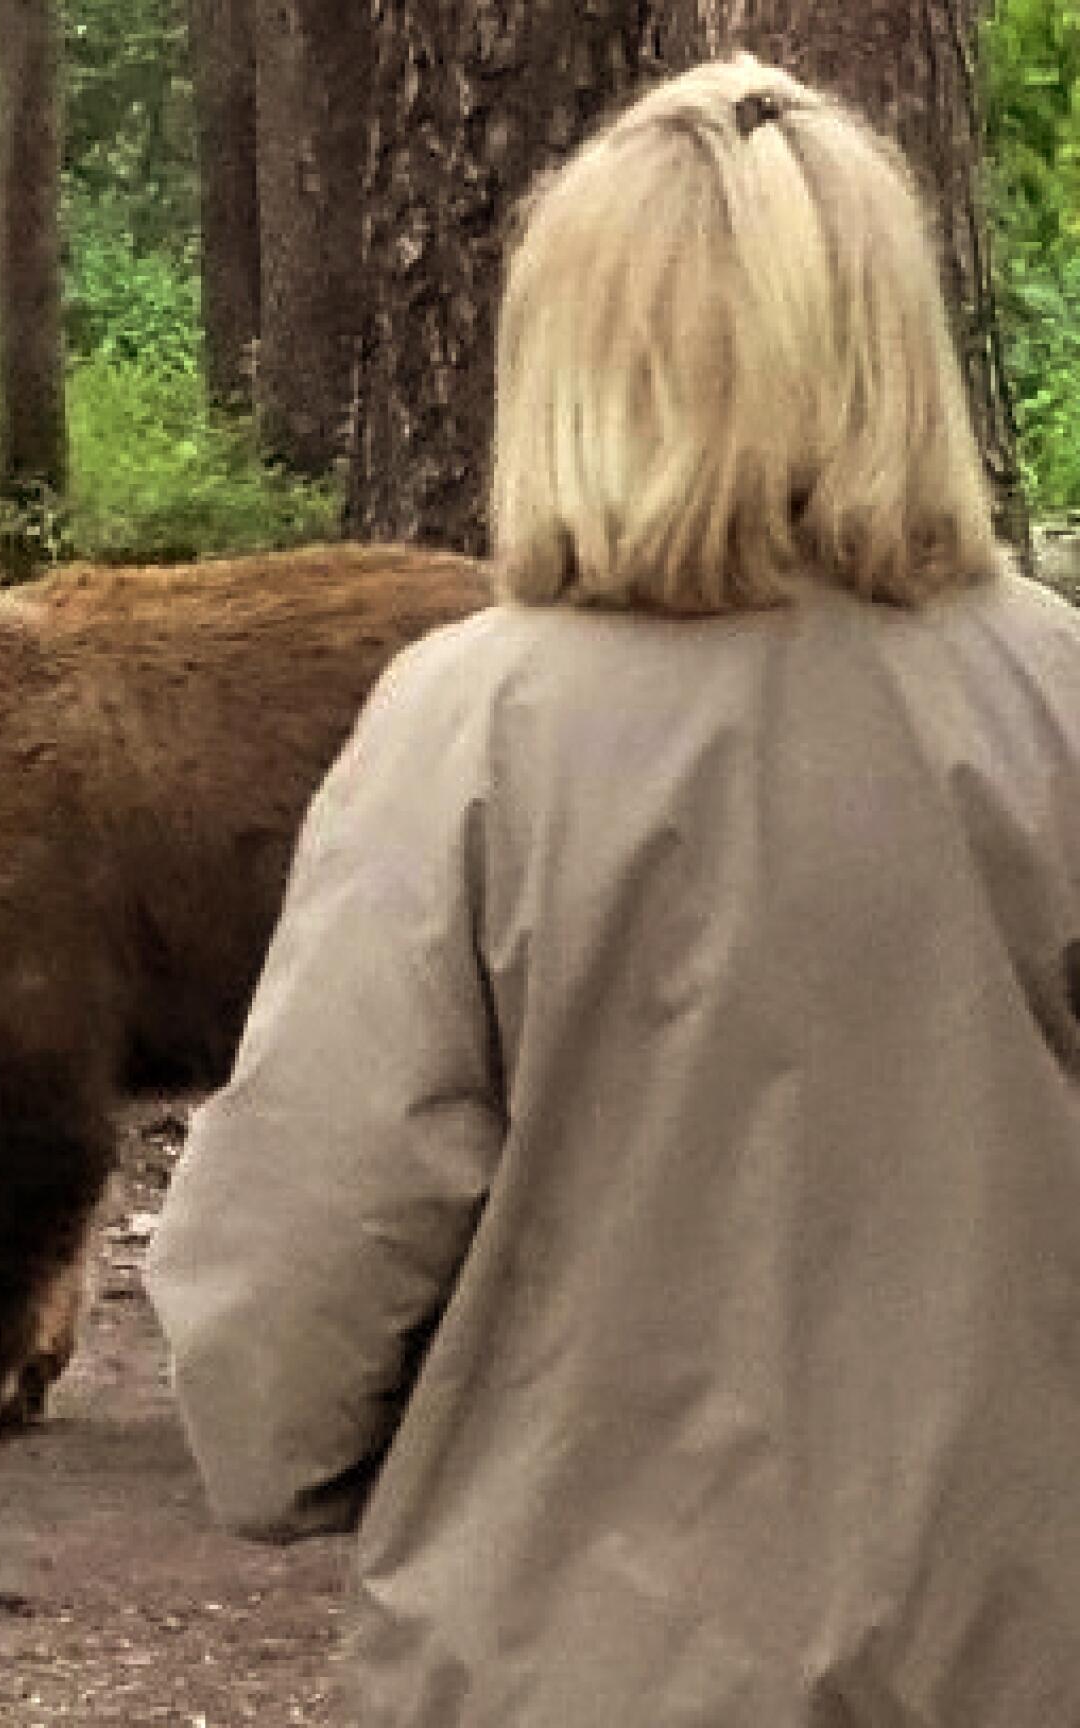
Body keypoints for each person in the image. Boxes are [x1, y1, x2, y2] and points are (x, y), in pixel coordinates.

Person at [145, 54, 1080, 1727]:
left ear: (576, 357)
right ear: (899, 352)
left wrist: (327, 1457)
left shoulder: (470, 733)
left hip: (558, 1663)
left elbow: (292, 1278)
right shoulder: (1057, 705)